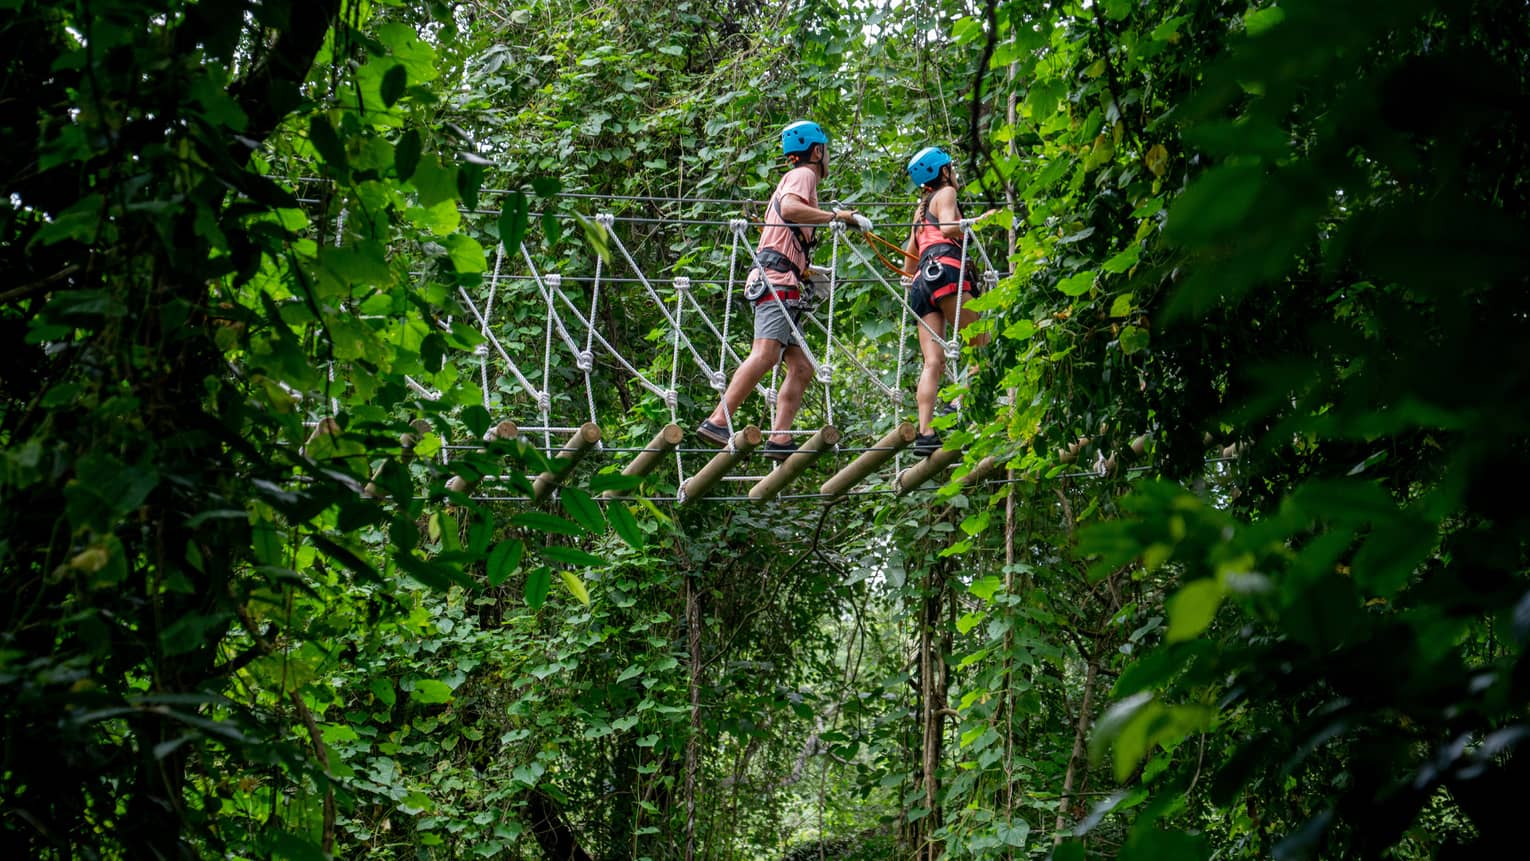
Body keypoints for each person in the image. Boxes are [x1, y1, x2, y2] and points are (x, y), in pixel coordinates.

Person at [697, 120, 862, 460]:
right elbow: (788, 209)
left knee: (802, 367)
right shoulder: (804, 176)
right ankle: (718, 420)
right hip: (775, 282)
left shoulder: (801, 179)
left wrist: (810, 272)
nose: (827, 157)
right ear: (817, 151)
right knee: (766, 354)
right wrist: (838, 215)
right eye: (826, 151)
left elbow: (786, 234)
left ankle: (780, 438)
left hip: (785, 282)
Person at [902, 146, 994, 456]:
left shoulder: (919, 211)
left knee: (934, 362)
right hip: (946, 274)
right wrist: (980, 220)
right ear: (942, 172)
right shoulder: (947, 194)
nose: (953, 173)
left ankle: (925, 432)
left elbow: (909, 263)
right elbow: (947, 228)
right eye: (950, 168)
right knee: (982, 343)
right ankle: (958, 402)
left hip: (921, 285)